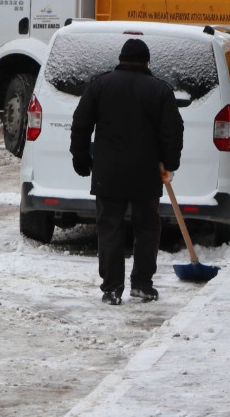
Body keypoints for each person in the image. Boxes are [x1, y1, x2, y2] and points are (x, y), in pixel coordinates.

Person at [70, 38, 184, 306]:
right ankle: (142, 285)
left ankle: (111, 289)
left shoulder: (100, 85)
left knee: (109, 228)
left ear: (120, 59)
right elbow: (173, 131)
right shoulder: (160, 91)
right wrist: (170, 163)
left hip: (108, 172)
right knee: (147, 228)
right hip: (146, 173)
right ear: (147, 62)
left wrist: (81, 157)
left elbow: (80, 123)